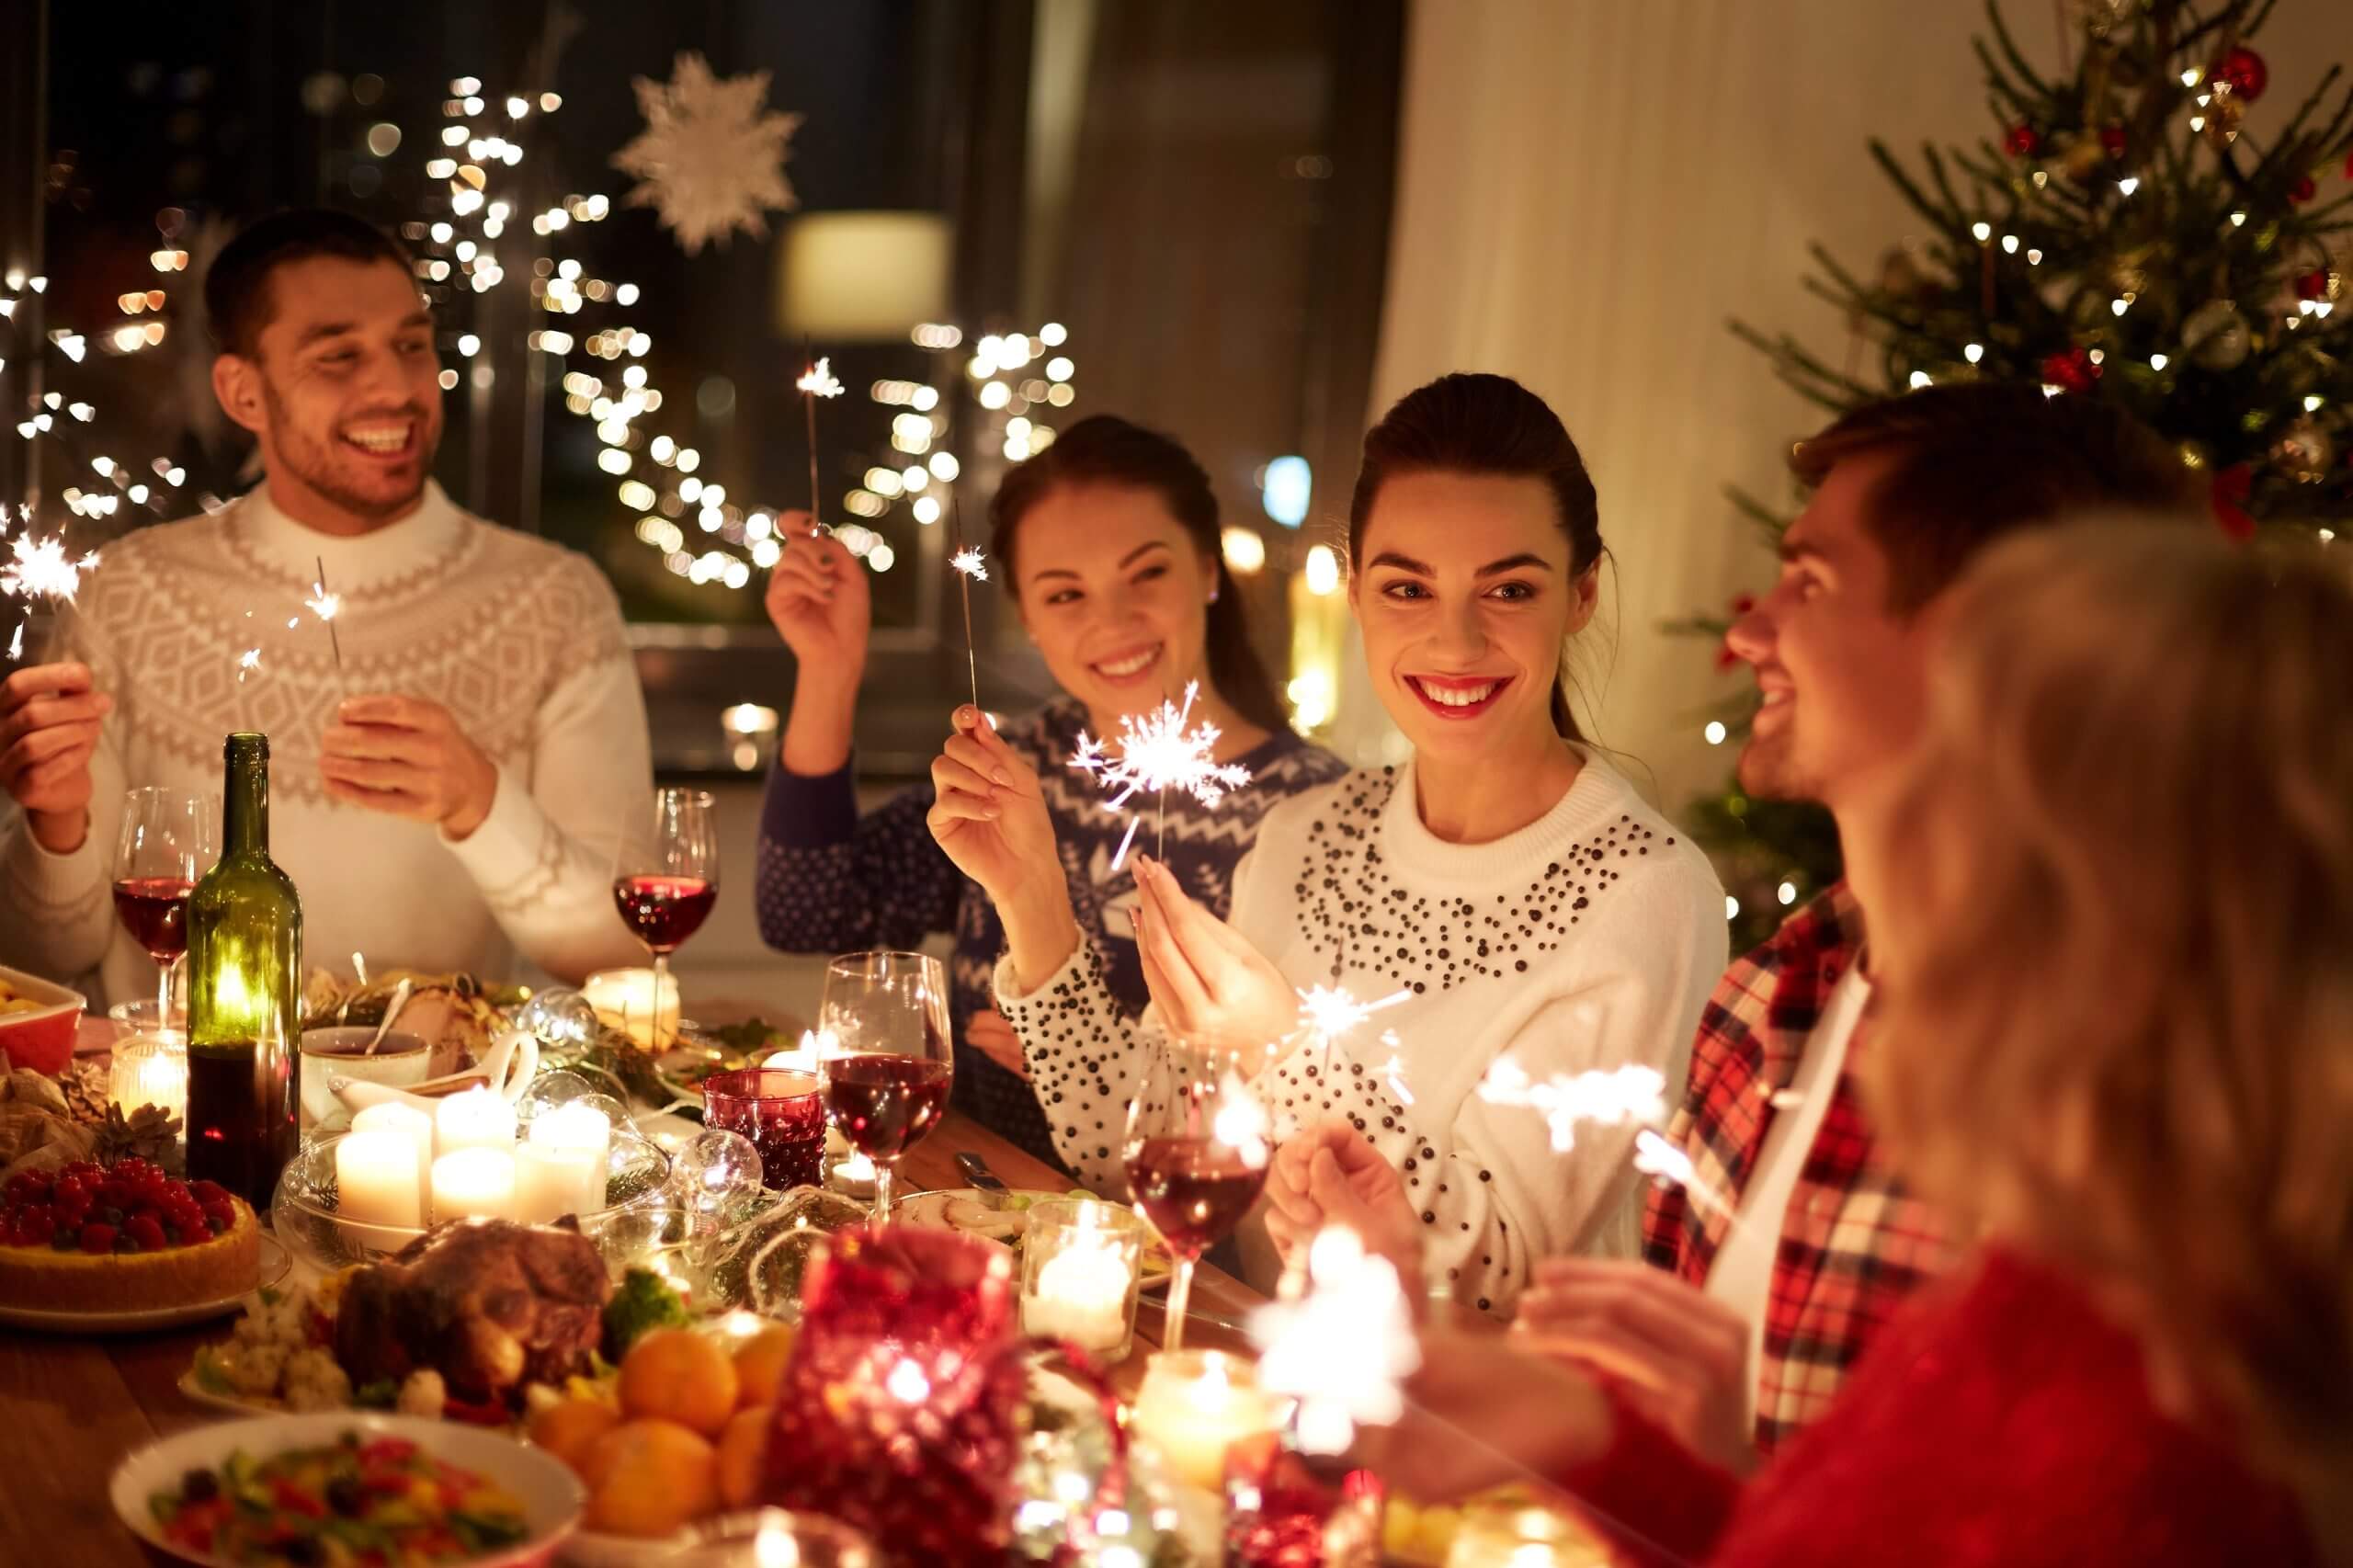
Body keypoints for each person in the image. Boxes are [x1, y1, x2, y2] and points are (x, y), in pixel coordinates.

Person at [1359, 524, 2344, 1567]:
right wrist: (1598, 1440)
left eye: (1944, 780)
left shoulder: (2120, 1408)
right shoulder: (2066, 1273)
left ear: (2103, 895)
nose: (1891, 847)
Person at [942, 373, 1726, 1309]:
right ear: (1356, 590)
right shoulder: (1310, 828)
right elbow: (1137, 1151)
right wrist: (1031, 900)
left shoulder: (1643, 889)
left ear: (1583, 590)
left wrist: (1279, 1049)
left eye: (1509, 587)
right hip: (1262, 1387)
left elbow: (1494, 1280)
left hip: (1461, 1435)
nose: (1455, 638)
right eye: (1407, 586)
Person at [0, 210, 651, 996]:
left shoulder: (554, 601)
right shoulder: (126, 595)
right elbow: (41, 961)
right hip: (172, 1110)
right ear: (243, 392)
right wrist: (56, 829)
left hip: (440, 1108)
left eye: (412, 346)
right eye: (339, 357)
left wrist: (482, 805)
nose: (396, 387)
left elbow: (622, 950)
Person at [754, 414, 1344, 1169]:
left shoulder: (1314, 814)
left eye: (1148, 573)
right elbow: (807, 911)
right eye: (1065, 595)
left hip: (1168, 1251)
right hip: (974, 1205)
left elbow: (1311, 1106)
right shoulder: (1016, 764)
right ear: (1027, 616)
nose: (1113, 619)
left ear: (1207, 570)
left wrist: (1085, 1060)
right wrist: (830, 669)